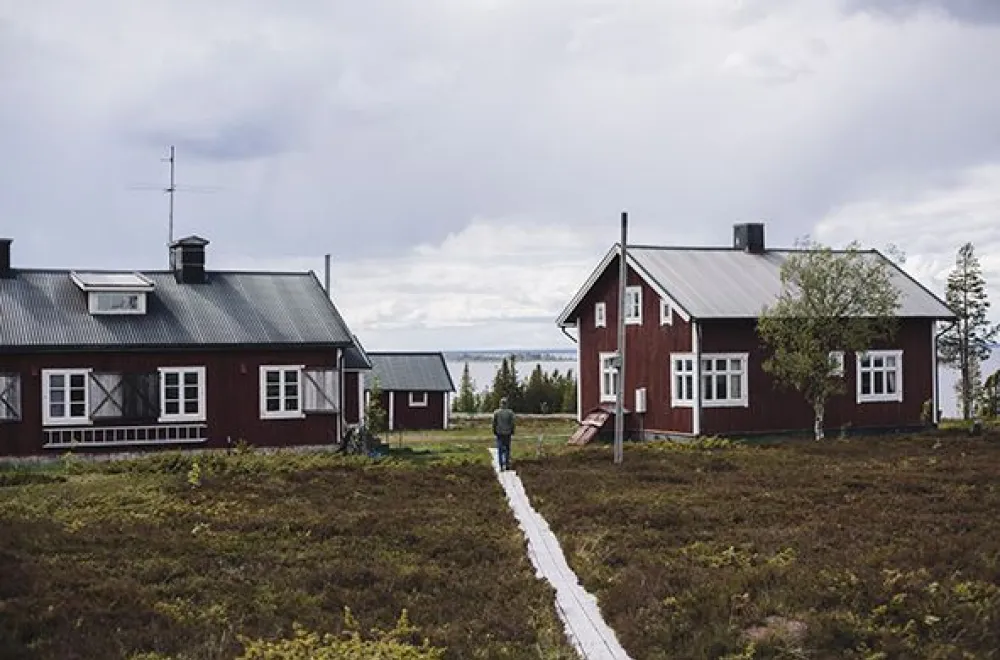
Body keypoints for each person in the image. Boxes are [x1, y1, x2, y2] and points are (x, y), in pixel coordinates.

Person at [492, 397, 516, 471]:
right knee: (507, 449)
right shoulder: (510, 412)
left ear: (500, 404)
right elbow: (512, 423)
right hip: (507, 433)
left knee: (500, 449)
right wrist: (512, 431)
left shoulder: (496, 412)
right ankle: (507, 464)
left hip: (499, 433)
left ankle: (501, 465)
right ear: (507, 404)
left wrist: (494, 430)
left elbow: (494, 423)